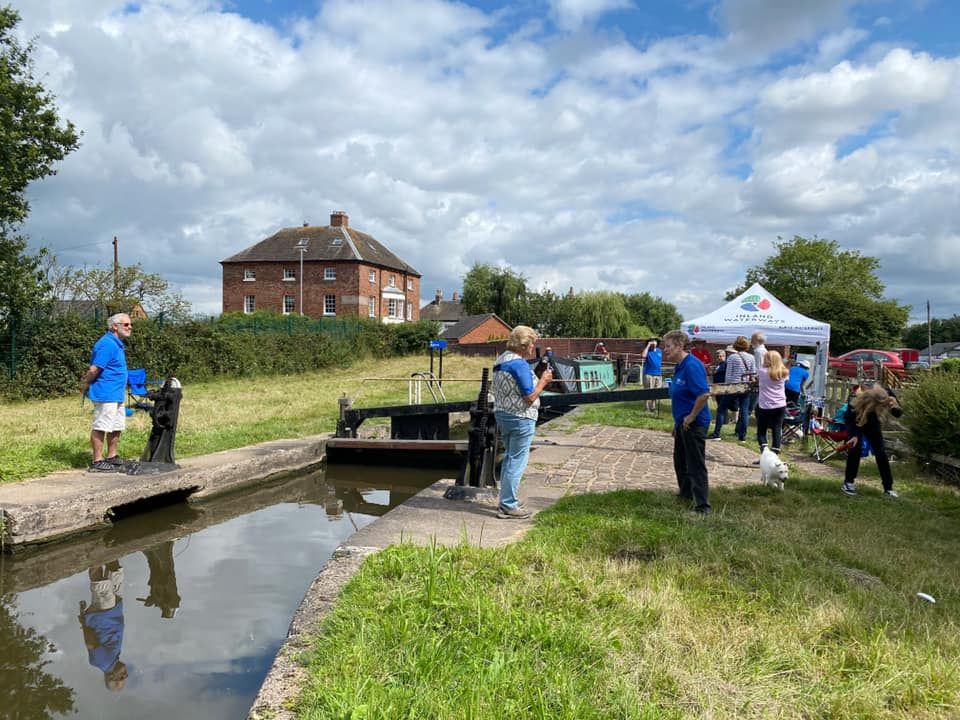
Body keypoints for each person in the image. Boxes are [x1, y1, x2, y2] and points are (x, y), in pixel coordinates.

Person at [492, 325, 553, 519]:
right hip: (521, 418)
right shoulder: (519, 364)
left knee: (510, 458)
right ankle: (508, 505)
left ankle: (506, 500)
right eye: (532, 343)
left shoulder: (500, 360)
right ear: (524, 344)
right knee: (517, 461)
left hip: (503, 415)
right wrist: (544, 381)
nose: (533, 347)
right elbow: (530, 397)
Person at [662, 330, 712, 514]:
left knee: (695, 463)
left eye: (668, 346)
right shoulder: (679, 366)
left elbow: (704, 394)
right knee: (680, 461)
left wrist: (691, 417)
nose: (665, 350)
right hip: (682, 423)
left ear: (680, 346)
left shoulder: (692, 365)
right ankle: (685, 494)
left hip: (694, 422)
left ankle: (702, 505)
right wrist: (678, 424)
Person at [81, 313, 132, 472]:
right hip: (106, 392)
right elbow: (94, 369)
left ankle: (112, 456)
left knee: (117, 426)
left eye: (130, 324)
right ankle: (97, 461)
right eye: (126, 324)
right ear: (114, 326)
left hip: (116, 393)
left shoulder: (116, 344)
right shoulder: (107, 344)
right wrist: (86, 383)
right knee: (101, 426)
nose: (130, 327)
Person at [841, 384, 902, 498]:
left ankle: (888, 488)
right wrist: (854, 435)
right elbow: (850, 419)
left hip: (873, 423)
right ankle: (848, 483)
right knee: (855, 449)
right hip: (857, 421)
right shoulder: (857, 402)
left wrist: (895, 407)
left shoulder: (887, 393)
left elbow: (898, 414)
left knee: (881, 453)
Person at [77, 560, 128, 691]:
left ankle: (94, 551)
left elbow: (90, 643)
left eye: (122, 677)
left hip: (104, 613)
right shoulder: (113, 660)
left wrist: (84, 623)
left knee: (99, 580)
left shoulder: (103, 663)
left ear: (112, 677)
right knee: (116, 572)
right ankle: (110, 543)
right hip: (114, 609)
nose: (126, 674)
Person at [721, 336, 756, 441]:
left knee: (721, 408)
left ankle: (717, 432)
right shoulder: (751, 357)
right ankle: (742, 436)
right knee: (744, 411)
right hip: (745, 385)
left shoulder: (732, 357)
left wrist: (726, 386)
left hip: (734, 385)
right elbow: (753, 373)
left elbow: (728, 374)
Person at [756, 350, 789, 455]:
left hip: (765, 404)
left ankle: (765, 452)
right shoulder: (784, 372)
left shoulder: (762, 371)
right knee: (777, 429)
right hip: (780, 404)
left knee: (762, 430)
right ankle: (775, 453)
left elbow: (757, 379)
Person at [707, 348, 727, 440]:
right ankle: (722, 423)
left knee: (721, 409)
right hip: (717, 388)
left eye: (721, 356)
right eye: (718, 356)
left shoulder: (725, 365)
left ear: (724, 356)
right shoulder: (718, 365)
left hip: (722, 388)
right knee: (720, 407)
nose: (719, 358)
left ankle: (717, 431)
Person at [640, 337, 662, 412]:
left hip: (658, 374)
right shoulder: (647, 350)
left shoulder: (659, 351)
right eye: (651, 341)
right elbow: (643, 356)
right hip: (648, 374)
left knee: (656, 392)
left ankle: (653, 407)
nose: (653, 342)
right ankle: (646, 407)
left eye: (654, 341)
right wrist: (648, 345)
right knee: (647, 391)